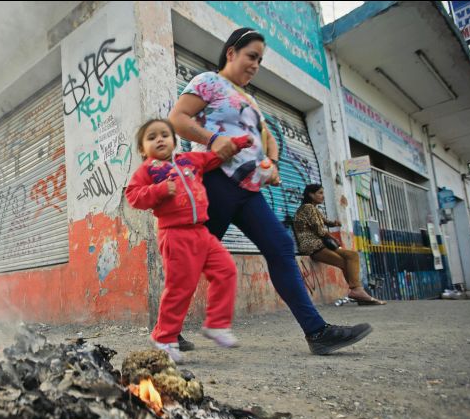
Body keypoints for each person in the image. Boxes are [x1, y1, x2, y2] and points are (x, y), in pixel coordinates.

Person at [169, 27, 372, 355]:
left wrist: (273, 163)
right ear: (231, 52)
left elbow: (269, 140)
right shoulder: (208, 81)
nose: (255, 65)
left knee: (280, 246)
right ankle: (169, 331)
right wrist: (212, 139)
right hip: (214, 184)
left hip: (249, 191)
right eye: (251, 56)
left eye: (260, 61)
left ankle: (317, 332)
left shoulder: (250, 102)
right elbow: (177, 118)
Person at [125, 118, 253, 363]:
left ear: (175, 141)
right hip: (175, 235)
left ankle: (217, 324)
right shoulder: (148, 170)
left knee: (226, 270)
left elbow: (216, 157)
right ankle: (164, 338)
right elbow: (133, 196)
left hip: (202, 233)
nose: (159, 139)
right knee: (180, 289)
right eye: (152, 137)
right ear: (143, 149)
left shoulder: (189, 161)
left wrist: (239, 143)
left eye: (164, 134)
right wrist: (159, 190)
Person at [294, 184, 385, 305]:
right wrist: (332, 238)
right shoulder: (308, 208)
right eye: (320, 193)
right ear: (311, 194)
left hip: (318, 246)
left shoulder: (314, 209)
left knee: (348, 259)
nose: (323, 196)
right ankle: (358, 291)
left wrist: (334, 223)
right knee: (349, 258)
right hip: (313, 247)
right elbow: (319, 230)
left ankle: (359, 294)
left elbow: (325, 222)